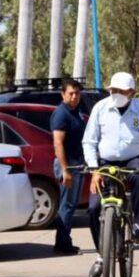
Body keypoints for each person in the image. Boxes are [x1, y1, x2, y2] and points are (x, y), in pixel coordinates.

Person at [82, 72, 139, 277]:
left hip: (133, 158)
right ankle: (100, 256)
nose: (115, 94)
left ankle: (137, 225)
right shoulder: (100, 108)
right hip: (105, 162)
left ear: (132, 93)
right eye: (113, 90)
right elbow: (89, 141)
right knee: (93, 207)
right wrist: (94, 169)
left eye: (121, 91)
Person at [49, 78, 87, 256]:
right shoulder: (61, 114)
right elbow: (58, 143)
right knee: (67, 205)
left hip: (78, 163)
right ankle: (63, 244)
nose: (74, 96)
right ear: (63, 94)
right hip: (69, 165)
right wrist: (65, 170)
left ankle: (64, 241)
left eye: (77, 93)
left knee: (71, 205)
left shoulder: (76, 111)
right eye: (71, 93)